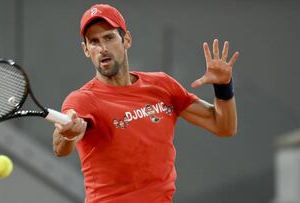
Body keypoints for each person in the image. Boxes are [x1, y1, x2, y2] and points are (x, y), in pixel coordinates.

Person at [52, 3, 239, 203]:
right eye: (94, 42)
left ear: (127, 40)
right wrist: (68, 134)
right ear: (86, 50)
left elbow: (224, 126)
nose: (103, 48)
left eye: (109, 37)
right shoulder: (82, 99)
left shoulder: (162, 85)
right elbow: (60, 146)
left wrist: (223, 86)